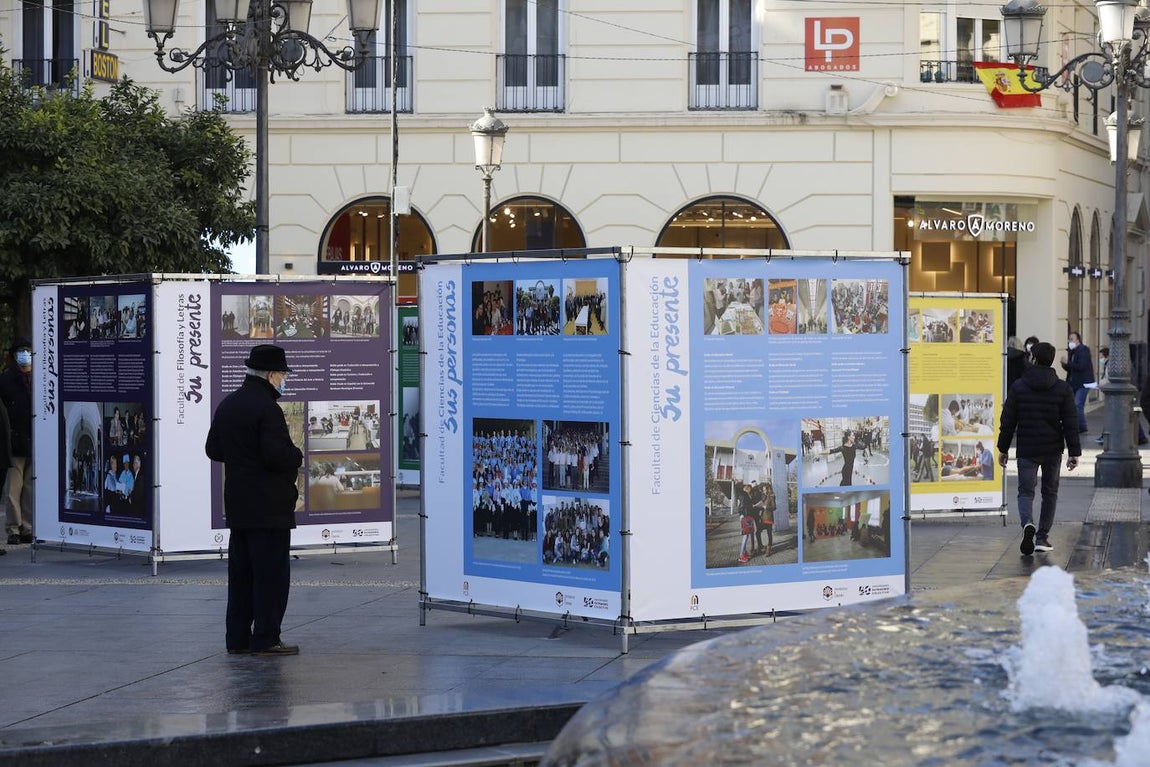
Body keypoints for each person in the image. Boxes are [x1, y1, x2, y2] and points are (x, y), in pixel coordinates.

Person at [205, 344, 303, 657]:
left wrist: (242, 458)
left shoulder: (229, 403)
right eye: (283, 375)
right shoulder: (267, 409)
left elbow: (213, 449)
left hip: (239, 506)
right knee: (270, 577)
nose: (284, 380)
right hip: (269, 508)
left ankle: (237, 639)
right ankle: (266, 638)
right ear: (271, 374)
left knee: (241, 577)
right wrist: (296, 454)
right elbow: (276, 455)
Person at [997, 341, 1081, 556]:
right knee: (1049, 492)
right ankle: (1042, 537)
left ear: (1033, 359)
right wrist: (1074, 452)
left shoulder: (1019, 386)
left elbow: (1008, 421)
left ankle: (1028, 523)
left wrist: (1003, 448)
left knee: (1026, 491)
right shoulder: (1062, 388)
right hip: (1053, 449)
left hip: (1027, 448)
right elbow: (1071, 422)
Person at [0, 338, 34, 545]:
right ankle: (13, 528)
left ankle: (27, 528)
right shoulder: (5, 380)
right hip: (14, 441)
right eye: (21, 351)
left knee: (30, 488)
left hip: (35, 440)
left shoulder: (40, 377)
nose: (25, 354)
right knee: (13, 488)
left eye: (28, 350)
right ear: (14, 355)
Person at [1059, 331, 1094, 434]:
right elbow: (1072, 369)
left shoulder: (1083, 350)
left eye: (1072, 339)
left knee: (1078, 404)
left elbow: (1081, 366)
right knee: (1072, 405)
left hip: (1084, 382)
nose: (1070, 341)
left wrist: (1068, 363)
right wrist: (1065, 365)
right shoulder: (1072, 352)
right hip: (1074, 383)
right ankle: (1075, 425)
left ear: (1078, 340)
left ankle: (1081, 426)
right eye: (1069, 339)